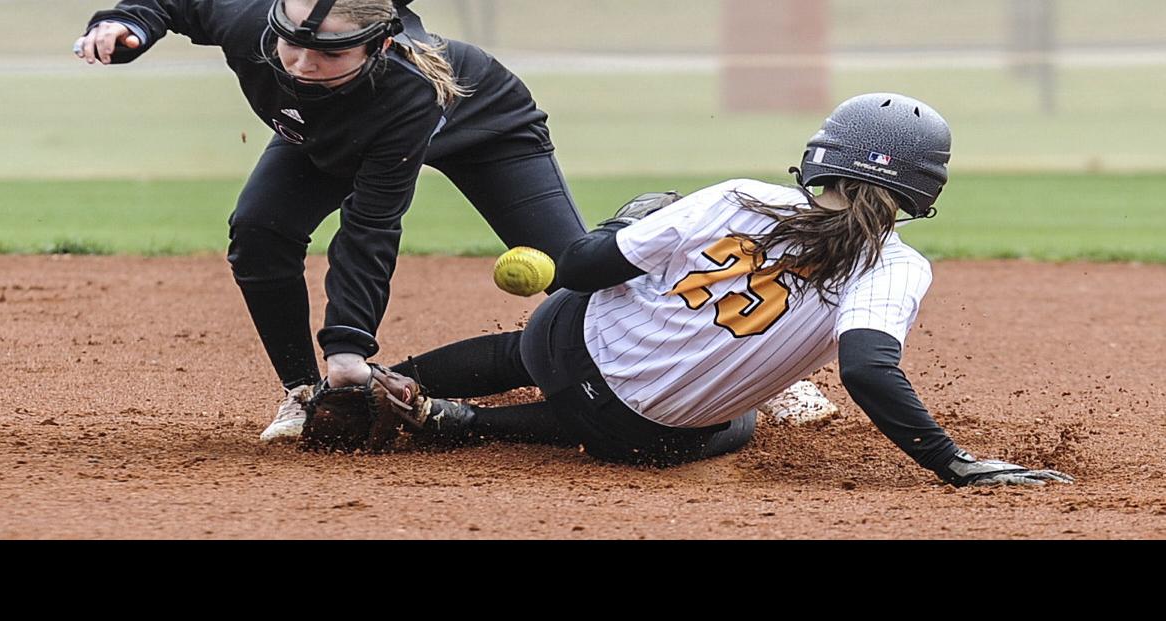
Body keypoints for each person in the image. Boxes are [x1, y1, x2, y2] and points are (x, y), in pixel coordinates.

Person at [391, 92, 1074, 487]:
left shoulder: (742, 196)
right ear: (923, 188)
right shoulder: (896, 266)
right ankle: (472, 425)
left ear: (821, 156)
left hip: (561, 343)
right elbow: (867, 369)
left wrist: (624, 224)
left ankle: (384, 381)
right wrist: (949, 461)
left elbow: (579, 270)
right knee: (732, 419)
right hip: (633, 434)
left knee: (528, 349)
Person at [73, 0, 588, 442]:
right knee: (258, 230)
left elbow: (370, 226)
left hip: (485, 128)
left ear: (379, 45)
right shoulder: (253, 23)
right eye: (290, 45)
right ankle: (301, 394)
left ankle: (612, 376)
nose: (301, 64)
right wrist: (127, 22)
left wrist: (347, 346)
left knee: (576, 272)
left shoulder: (406, 88)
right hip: (327, 132)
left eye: (331, 52)